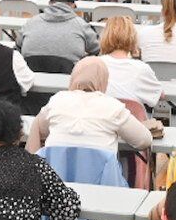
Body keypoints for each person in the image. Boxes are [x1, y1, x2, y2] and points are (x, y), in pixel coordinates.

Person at [27, 56, 155, 156]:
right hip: (102, 185)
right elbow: (144, 140)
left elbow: (42, 129)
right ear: (104, 80)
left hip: (55, 183)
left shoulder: (57, 100)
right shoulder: (113, 107)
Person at [19, 0, 96, 67]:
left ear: (49, 3)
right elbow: (97, 49)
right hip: (68, 77)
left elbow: (18, 46)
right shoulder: (81, 25)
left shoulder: (31, 22)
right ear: (73, 5)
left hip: (31, 76)